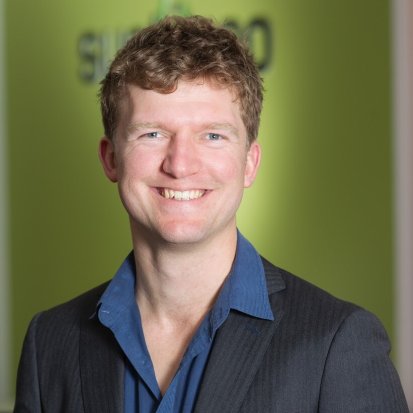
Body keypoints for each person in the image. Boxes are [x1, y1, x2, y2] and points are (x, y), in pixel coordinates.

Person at [14, 15, 408, 413]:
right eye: (153, 134)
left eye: (213, 135)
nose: (180, 164)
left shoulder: (336, 344)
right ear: (111, 158)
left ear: (250, 163)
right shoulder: (49, 345)